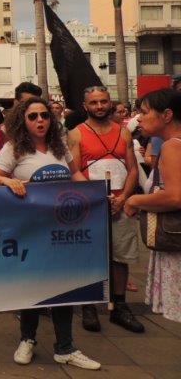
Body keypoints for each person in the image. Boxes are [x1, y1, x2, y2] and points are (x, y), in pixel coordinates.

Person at [0, 97, 100, 370]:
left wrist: (96, 194)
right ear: (23, 121)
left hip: (63, 229)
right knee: (33, 285)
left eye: (45, 116)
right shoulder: (14, 148)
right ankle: (27, 339)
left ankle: (65, 347)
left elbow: (76, 175)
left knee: (63, 284)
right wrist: (9, 181)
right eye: (33, 116)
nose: (40, 121)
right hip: (31, 229)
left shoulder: (60, 147)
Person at [67, 87, 143, 333]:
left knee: (121, 256)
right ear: (85, 106)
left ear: (109, 103)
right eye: (94, 102)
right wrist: (97, 196)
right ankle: (89, 306)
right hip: (91, 205)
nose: (99, 106)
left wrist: (123, 198)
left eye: (103, 101)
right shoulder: (76, 134)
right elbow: (74, 171)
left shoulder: (123, 132)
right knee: (89, 256)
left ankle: (119, 306)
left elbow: (133, 169)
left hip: (120, 204)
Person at [124, 89, 181, 323]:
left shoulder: (172, 146)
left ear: (166, 115)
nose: (139, 118)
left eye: (145, 112)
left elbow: (175, 196)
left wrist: (135, 200)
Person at [0, 82, 43, 159]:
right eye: (25, 103)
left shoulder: (46, 127)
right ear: (16, 102)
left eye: (34, 103)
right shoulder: (4, 129)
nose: (29, 107)